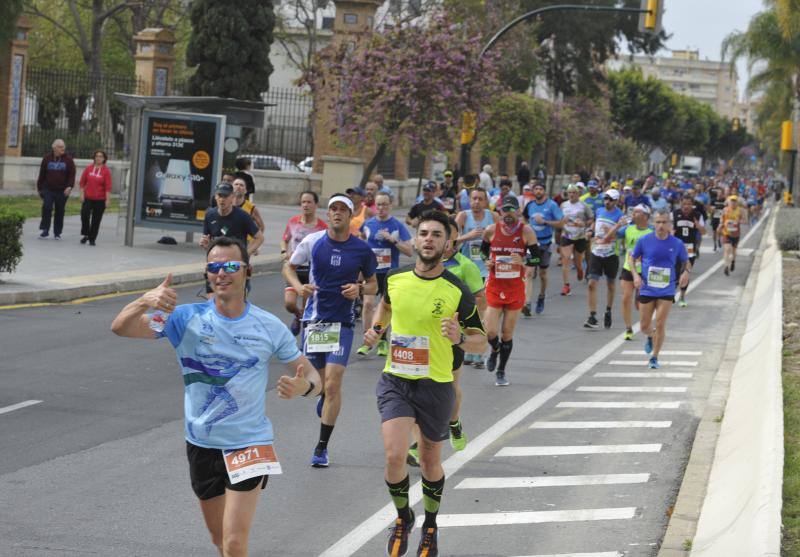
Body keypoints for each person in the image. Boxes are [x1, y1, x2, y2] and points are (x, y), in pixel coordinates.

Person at [110, 236, 322, 557]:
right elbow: (121, 328)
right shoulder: (183, 318)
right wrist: (145, 301)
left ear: (247, 271)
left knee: (235, 542)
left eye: (231, 266)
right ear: (207, 273)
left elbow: (315, 379)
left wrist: (302, 388)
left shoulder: (268, 326)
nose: (222, 273)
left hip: (249, 443)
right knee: (220, 540)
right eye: (214, 267)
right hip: (201, 444)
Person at [362, 210, 486, 557]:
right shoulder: (396, 279)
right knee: (393, 455)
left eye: (436, 235)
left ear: (447, 245)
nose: (429, 239)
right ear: (415, 239)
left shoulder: (457, 290)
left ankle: (430, 525)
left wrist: (459, 336)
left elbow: (481, 340)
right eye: (423, 233)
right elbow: (385, 308)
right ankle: (404, 516)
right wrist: (376, 329)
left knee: (431, 459)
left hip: (436, 385)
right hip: (397, 380)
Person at [283, 194, 378, 467]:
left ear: (351, 215)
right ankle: (324, 397)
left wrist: (359, 289)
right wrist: (299, 286)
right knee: (317, 385)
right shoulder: (313, 242)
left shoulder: (361, 249)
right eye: (333, 209)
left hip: (343, 323)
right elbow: (288, 267)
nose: (336, 213)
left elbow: (373, 284)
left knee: (334, 383)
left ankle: (321, 447)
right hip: (315, 322)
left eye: (342, 210)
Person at [407, 216, 485, 465]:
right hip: (420, 340)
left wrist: (461, 327)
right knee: (416, 392)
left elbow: (479, 301)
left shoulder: (465, 267)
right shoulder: (419, 268)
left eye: (444, 237)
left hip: (451, 340)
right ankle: (418, 446)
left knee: (448, 390)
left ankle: (453, 422)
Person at [481, 195, 540, 386]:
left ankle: (501, 370)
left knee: (507, 333)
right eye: (504, 210)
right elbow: (482, 252)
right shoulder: (491, 231)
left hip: (515, 288)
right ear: (499, 211)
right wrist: (486, 261)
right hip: (495, 287)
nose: (508, 214)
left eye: (511, 210)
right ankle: (495, 349)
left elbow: (538, 259)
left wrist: (523, 261)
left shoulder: (527, 232)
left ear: (518, 211)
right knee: (490, 331)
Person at [629, 209, 691, 369]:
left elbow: (686, 261)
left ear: (670, 224)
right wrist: (635, 275)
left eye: (664, 222)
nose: (661, 225)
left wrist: (686, 272)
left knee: (661, 323)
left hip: (667, 289)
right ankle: (650, 336)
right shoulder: (644, 240)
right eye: (658, 222)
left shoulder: (676, 243)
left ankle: (654, 358)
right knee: (644, 326)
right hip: (647, 288)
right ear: (653, 223)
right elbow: (632, 258)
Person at [356, 192, 413, 356]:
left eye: (385, 204)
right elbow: (360, 241)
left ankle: (382, 340)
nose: (381, 208)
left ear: (391, 205)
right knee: (367, 305)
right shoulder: (368, 224)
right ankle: (367, 341)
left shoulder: (397, 225)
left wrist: (392, 240)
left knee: (386, 308)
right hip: (371, 273)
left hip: (390, 273)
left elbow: (409, 251)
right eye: (379, 204)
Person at [455, 187, 498, 367]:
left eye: (480, 199)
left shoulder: (493, 218)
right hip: (466, 270)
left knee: (482, 313)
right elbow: (451, 243)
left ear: (486, 202)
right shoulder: (463, 217)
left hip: (485, 272)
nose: (476, 202)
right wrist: (468, 236)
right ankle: (468, 350)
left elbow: (502, 240)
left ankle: (479, 353)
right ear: (469, 200)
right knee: (466, 313)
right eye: (474, 198)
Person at [200, 183, 264, 298]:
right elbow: (208, 242)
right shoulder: (210, 215)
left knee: (235, 301)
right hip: (216, 265)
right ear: (215, 197)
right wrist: (206, 245)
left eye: (225, 196)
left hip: (234, 265)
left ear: (232, 197)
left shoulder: (242, 216)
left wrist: (245, 253)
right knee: (213, 303)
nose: (222, 199)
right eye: (219, 196)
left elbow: (259, 238)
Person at [281, 191, 328, 335]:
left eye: (309, 202)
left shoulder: (322, 227)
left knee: (307, 305)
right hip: (294, 268)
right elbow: (285, 239)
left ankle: (306, 341)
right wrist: (284, 251)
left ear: (315, 205)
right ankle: (297, 314)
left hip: (311, 271)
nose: (305, 205)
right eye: (303, 202)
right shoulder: (293, 222)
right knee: (289, 303)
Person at [584, 189, 625, 329]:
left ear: (616, 201)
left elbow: (620, 234)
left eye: (610, 199)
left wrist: (612, 231)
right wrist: (590, 231)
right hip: (596, 252)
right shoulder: (600, 210)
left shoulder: (621, 216)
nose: (607, 202)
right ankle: (592, 315)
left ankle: (608, 310)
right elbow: (595, 224)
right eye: (605, 199)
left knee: (610, 284)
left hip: (611, 254)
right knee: (591, 283)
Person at [522, 181, 563, 315]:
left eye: (540, 189)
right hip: (532, 244)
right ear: (533, 191)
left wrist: (545, 222)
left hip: (545, 244)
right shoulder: (530, 205)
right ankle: (527, 303)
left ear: (544, 191)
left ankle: (541, 296)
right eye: (536, 189)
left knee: (543, 274)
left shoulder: (551, 205)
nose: (538, 191)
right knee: (528, 272)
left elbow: (561, 223)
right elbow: (524, 218)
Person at [618, 205, 653, 340]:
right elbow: (612, 235)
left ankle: (646, 326)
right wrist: (617, 226)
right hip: (629, 268)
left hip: (644, 271)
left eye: (637, 212)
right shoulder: (627, 229)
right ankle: (628, 328)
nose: (633, 213)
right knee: (626, 297)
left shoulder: (651, 232)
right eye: (633, 211)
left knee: (640, 304)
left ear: (645, 216)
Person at [37, 138, 76, 240]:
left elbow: (72, 175)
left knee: (60, 210)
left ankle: (57, 232)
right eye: (60, 147)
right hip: (48, 189)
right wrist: (40, 187)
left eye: (63, 146)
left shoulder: (69, 160)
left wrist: (69, 186)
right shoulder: (47, 158)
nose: (62, 148)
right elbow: (42, 174)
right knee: (47, 207)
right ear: (54, 148)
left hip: (62, 190)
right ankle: (45, 230)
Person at [559, 184, 593, 296]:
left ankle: (580, 270)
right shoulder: (563, 205)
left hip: (580, 236)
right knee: (566, 258)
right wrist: (562, 221)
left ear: (578, 194)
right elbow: (559, 218)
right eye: (570, 192)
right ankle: (566, 285)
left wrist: (584, 223)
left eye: (574, 192)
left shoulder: (584, 205)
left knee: (578, 262)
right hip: (567, 235)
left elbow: (591, 219)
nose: (572, 195)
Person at [673, 195, 705, 307]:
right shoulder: (675, 214)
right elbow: (670, 230)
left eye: (688, 204)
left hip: (690, 249)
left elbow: (703, 232)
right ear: (681, 203)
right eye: (684, 204)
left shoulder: (697, 215)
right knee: (675, 272)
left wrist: (698, 226)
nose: (686, 206)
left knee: (686, 273)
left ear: (692, 205)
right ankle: (671, 293)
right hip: (676, 248)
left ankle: (682, 297)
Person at [78, 149, 112, 246]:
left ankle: (92, 238)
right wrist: (81, 194)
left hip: (100, 199)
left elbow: (108, 187)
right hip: (88, 197)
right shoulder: (88, 168)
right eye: (97, 156)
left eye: (101, 156)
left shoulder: (106, 171)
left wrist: (108, 200)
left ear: (104, 159)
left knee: (96, 220)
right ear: (94, 157)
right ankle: (86, 234)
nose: (98, 158)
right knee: (84, 215)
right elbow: (82, 183)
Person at [718, 195, 745, 276]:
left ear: (737, 203)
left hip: (736, 234)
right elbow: (721, 219)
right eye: (731, 201)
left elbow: (744, 220)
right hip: (726, 233)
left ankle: (733, 261)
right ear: (729, 202)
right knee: (727, 249)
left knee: (733, 251)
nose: (733, 203)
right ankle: (726, 266)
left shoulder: (740, 211)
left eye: (734, 201)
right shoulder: (725, 210)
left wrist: (738, 221)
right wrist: (721, 225)